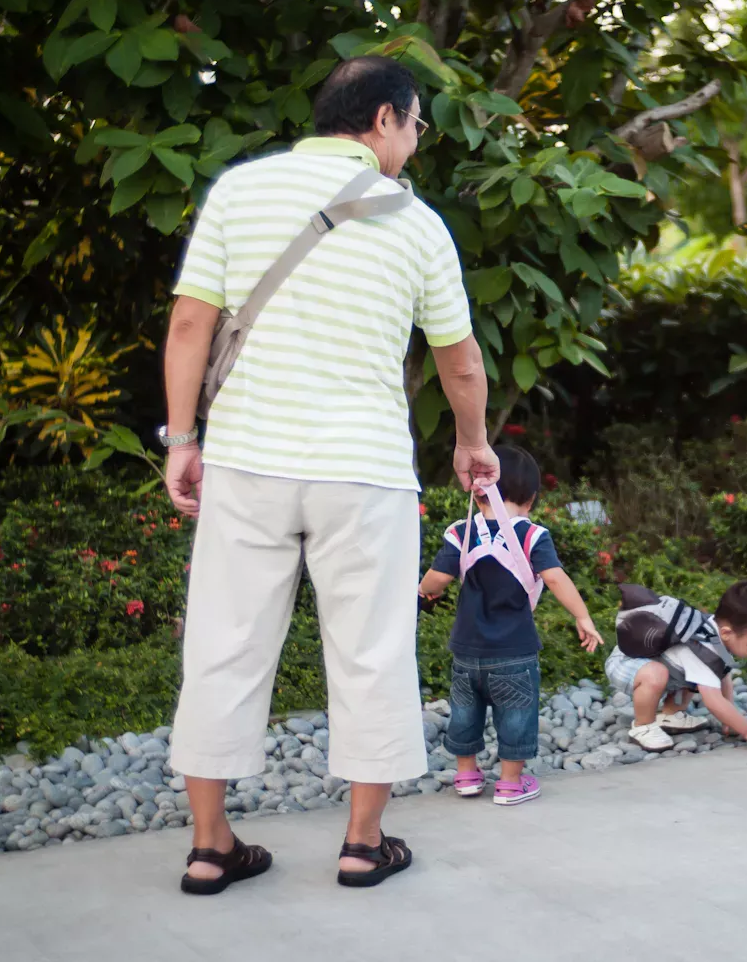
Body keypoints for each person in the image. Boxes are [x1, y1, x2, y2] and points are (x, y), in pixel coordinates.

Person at [162, 55, 499, 893]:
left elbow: (190, 323)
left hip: (247, 460)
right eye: (416, 125)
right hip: (363, 470)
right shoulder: (416, 222)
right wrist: (472, 441)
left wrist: (182, 440)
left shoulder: (238, 192)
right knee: (372, 652)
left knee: (223, 645)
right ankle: (362, 842)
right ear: (384, 119)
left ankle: (209, 847)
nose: (416, 142)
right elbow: (460, 362)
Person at [417, 445, 604, 806]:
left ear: (479, 492)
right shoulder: (532, 536)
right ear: (531, 498)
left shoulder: (461, 532)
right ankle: (509, 783)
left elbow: (436, 579)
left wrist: (425, 591)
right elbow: (555, 578)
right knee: (516, 715)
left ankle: (466, 775)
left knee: (465, 712)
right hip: (514, 652)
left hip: (466, 651)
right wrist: (582, 617)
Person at [603, 581, 747, 753]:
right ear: (727, 633)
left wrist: (730, 719)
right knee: (657, 673)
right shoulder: (702, 647)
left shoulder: (716, 634)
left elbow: (722, 675)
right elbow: (713, 701)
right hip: (625, 663)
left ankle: (671, 715)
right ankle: (643, 726)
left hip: (656, 661)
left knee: (696, 674)